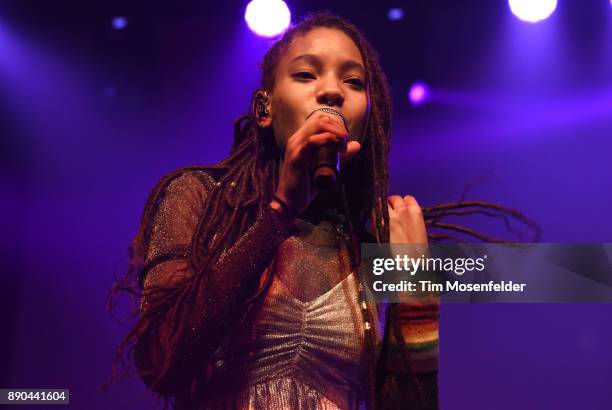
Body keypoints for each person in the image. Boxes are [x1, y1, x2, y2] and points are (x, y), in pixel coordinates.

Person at [106, 12, 539, 410]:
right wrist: (278, 213)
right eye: (306, 74)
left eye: (354, 82)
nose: (331, 90)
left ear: (369, 120)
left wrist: (416, 301)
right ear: (264, 108)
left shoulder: (369, 246)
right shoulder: (200, 198)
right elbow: (161, 362)